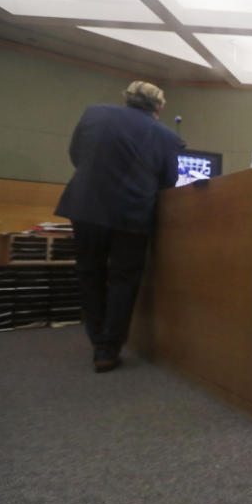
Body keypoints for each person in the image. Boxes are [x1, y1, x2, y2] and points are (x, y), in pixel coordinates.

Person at [55, 80, 184, 373]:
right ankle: (107, 350)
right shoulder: (166, 136)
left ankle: (97, 337)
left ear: (126, 98)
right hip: (131, 214)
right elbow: (168, 183)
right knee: (123, 279)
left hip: (86, 206)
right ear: (159, 108)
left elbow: (77, 155)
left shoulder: (94, 113)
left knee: (89, 272)